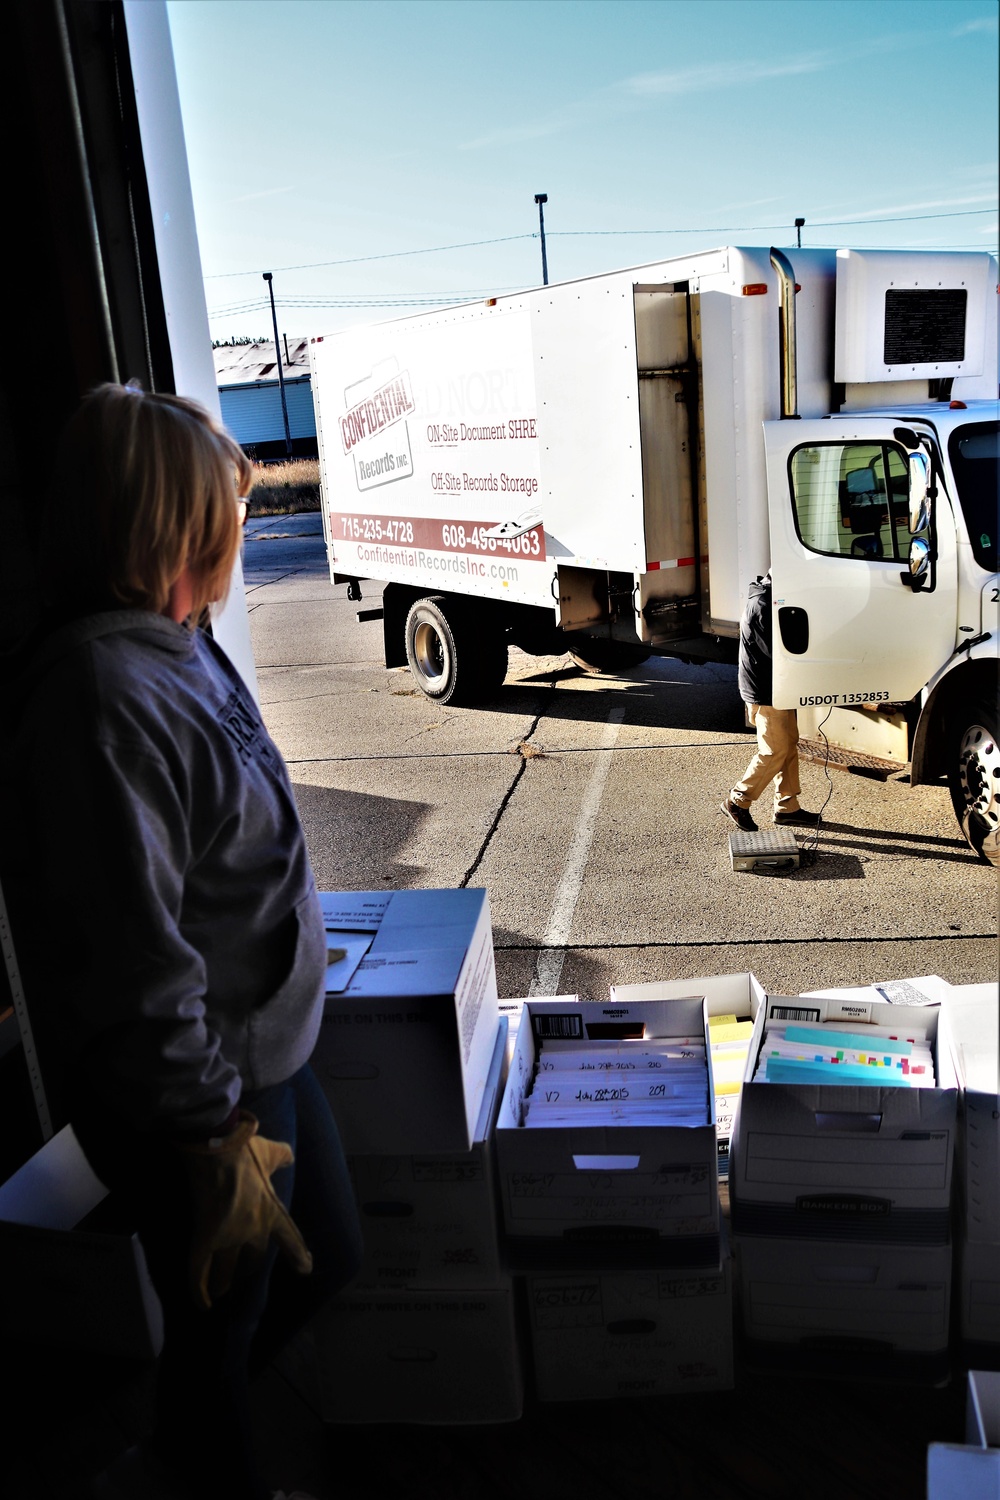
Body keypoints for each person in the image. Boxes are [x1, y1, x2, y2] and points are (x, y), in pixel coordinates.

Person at [3, 384, 362, 1500]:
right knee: (219, 1338)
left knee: (325, 1263)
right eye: (223, 520)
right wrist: (208, 1130)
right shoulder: (99, 698)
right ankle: (200, 1465)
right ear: (168, 527)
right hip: (202, 1106)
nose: (238, 541)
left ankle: (175, 1446)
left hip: (265, 1060)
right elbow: (132, 954)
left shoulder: (175, 644)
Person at [720, 572, 821, 834]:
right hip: (766, 691)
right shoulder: (764, 605)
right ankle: (737, 800)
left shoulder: (767, 597)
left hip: (775, 687)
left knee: (787, 745)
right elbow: (778, 654)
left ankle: (787, 807)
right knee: (774, 750)